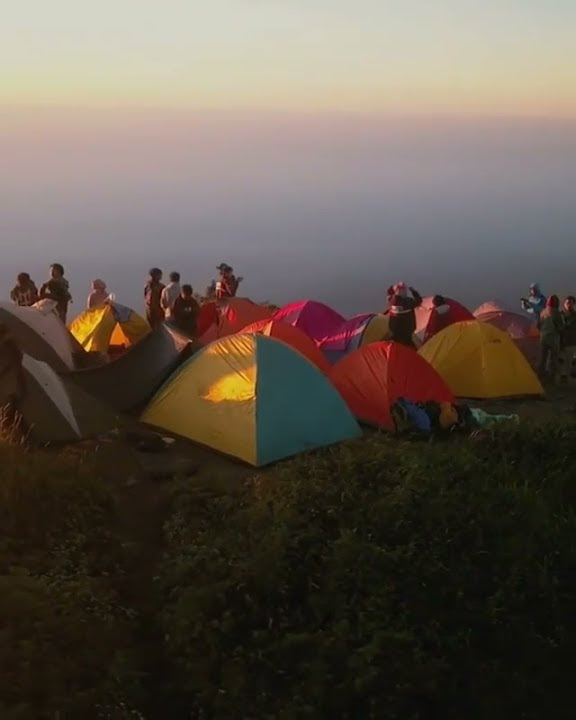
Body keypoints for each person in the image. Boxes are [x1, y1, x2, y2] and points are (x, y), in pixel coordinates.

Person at [0, 323, 27, 437]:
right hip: (13, 387)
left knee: (8, 410)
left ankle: (13, 433)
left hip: (10, 389)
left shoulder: (8, 347)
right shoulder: (11, 344)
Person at [538, 295, 564, 383]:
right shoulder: (557, 312)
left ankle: (540, 375)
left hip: (543, 338)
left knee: (542, 358)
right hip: (553, 339)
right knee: (553, 359)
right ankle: (551, 378)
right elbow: (561, 327)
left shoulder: (543, 312)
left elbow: (538, 325)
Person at [560, 295, 576, 381]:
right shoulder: (560, 315)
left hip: (571, 341)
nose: (569, 304)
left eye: (571, 303)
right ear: (564, 304)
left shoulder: (575, 316)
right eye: (567, 303)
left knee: (568, 361)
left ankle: (565, 377)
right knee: (560, 360)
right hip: (561, 341)